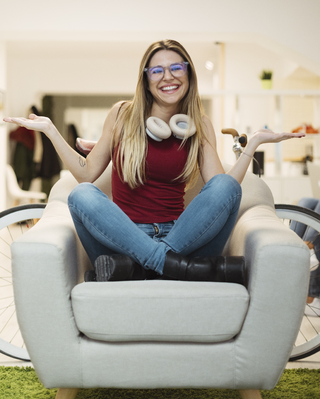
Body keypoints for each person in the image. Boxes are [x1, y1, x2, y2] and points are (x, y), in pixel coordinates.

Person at [3, 39, 305, 283]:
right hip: (121, 239)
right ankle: (173, 267)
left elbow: (220, 190)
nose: (168, 76)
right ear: (145, 79)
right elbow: (86, 175)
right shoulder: (121, 115)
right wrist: (51, 131)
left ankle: (139, 269)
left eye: (176, 67)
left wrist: (251, 145)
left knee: (227, 185)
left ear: (188, 73)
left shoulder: (198, 124)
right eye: (157, 70)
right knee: (81, 195)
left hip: (182, 237)